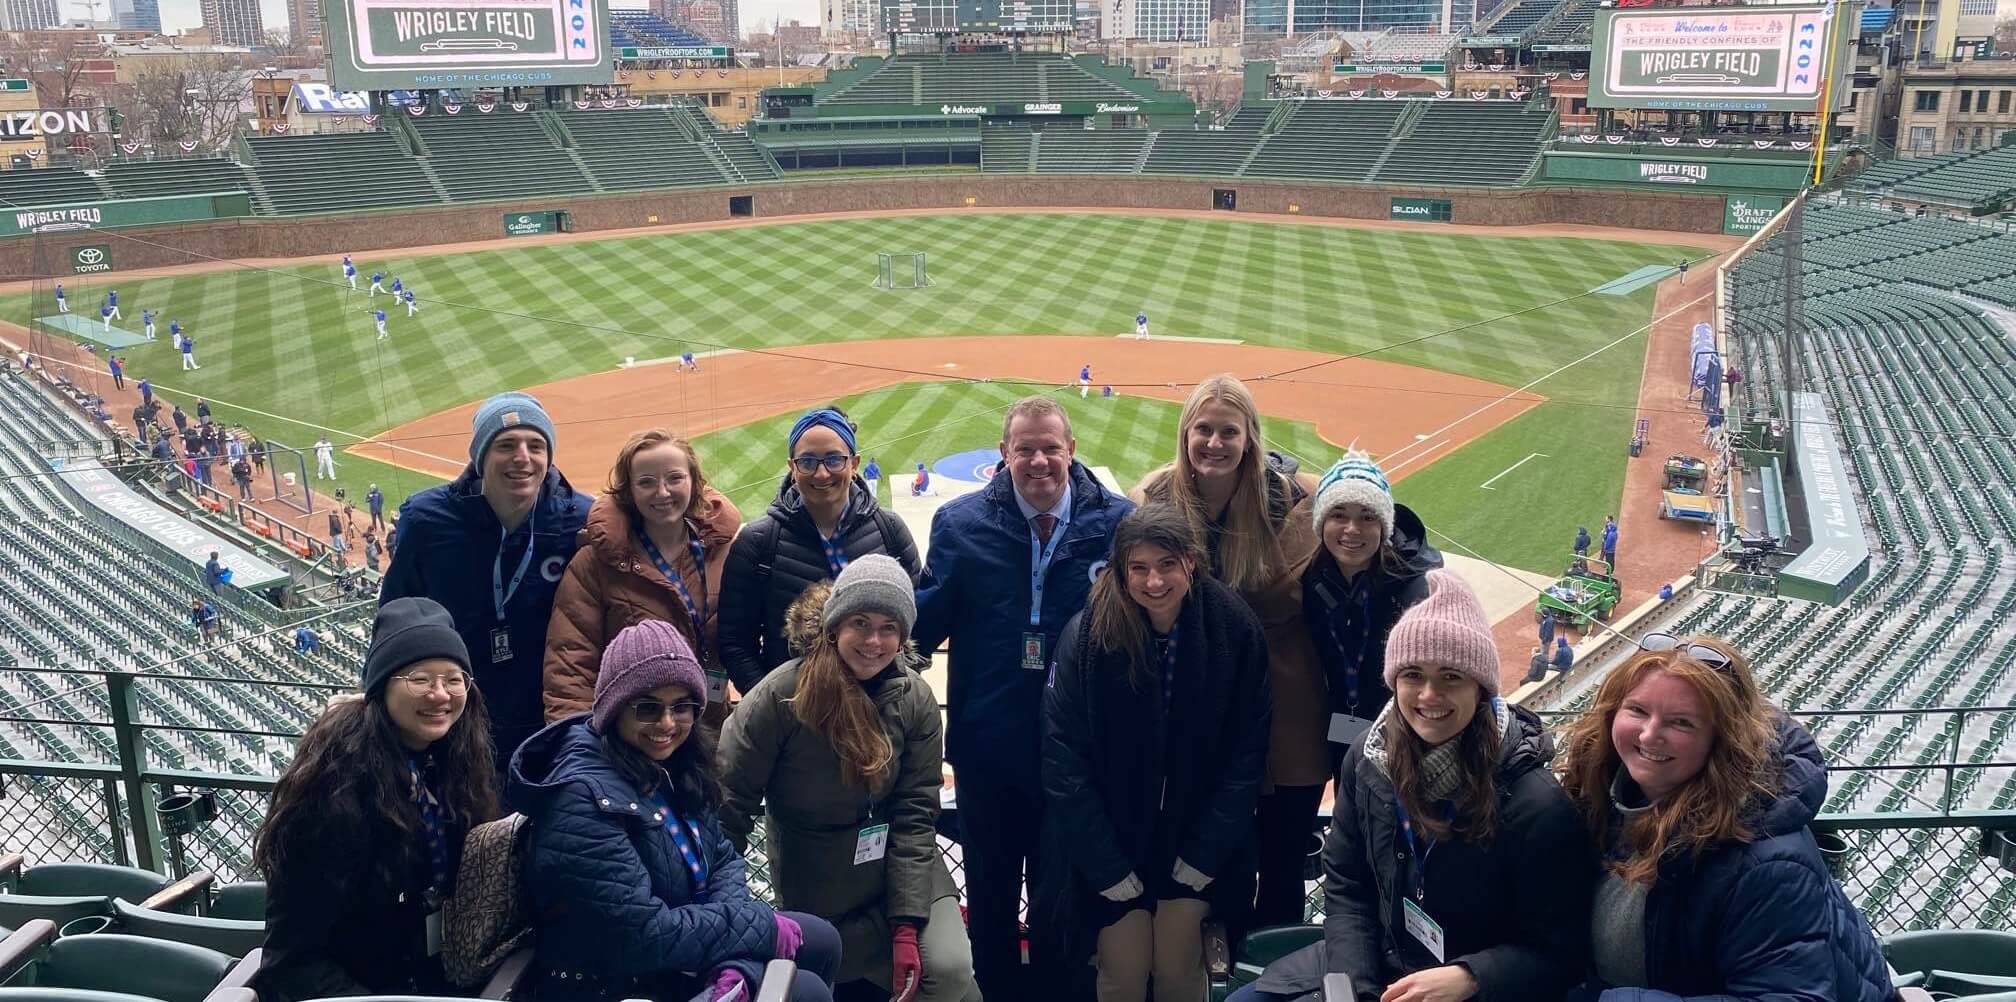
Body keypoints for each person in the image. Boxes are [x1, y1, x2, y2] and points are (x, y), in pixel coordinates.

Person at [1234, 570, 1595, 1002]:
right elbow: (1348, 884)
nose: (1428, 695)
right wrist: (1354, 989)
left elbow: (1562, 954)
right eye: (1412, 675)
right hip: (1373, 962)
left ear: (1481, 688)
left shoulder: (1537, 804)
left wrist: (1471, 976)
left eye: (1450, 677)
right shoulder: (1367, 759)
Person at [913, 395, 1134, 999]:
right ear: (1004, 454)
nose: (1039, 461)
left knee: (1061, 907)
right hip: (989, 752)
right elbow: (920, 628)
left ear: (1072, 452)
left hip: (1074, 758)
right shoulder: (960, 525)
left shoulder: (1117, 524)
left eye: (1050, 449)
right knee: (989, 902)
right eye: (1025, 449)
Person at [511, 621, 842, 1002]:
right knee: (805, 991)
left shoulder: (677, 765)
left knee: (821, 939)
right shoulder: (581, 799)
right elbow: (643, 934)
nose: (667, 724)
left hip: (677, 946)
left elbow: (722, 859)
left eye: (682, 707)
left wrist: (734, 962)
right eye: (648, 708)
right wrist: (758, 932)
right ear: (614, 710)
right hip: (617, 981)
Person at [1556, 635, 1892, 1002]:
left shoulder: (1769, 861)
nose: (1650, 735)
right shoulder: (1597, 794)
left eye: (1681, 723)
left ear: (1722, 739)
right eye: (1637, 710)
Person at [720, 559, 979, 1002]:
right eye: (861, 622)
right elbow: (729, 805)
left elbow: (914, 816)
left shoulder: (916, 698)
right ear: (835, 625)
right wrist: (721, 912)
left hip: (904, 870)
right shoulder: (782, 696)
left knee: (953, 973)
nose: (874, 641)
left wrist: (905, 925)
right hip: (822, 882)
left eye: (889, 627)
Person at [1041, 505, 1271, 1002]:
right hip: (1114, 847)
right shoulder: (1086, 635)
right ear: (1121, 569)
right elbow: (1063, 761)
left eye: (1167, 564)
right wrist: (1106, 866)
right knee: (1122, 974)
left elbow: (1247, 757)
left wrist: (1203, 857)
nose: (1153, 581)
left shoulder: (1234, 628)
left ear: (1191, 562)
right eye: (1139, 567)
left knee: (1179, 974)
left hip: (1195, 850)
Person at [1133, 374, 1324, 930]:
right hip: (1198, 716)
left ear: (1250, 438)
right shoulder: (1153, 498)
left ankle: (1275, 986)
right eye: (1203, 430)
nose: (1215, 443)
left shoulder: (1300, 499)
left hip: (1289, 714)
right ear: (1186, 434)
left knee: (1285, 866)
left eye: (1229, 432)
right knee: (1214, 866)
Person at [252, 598, 499, 1000]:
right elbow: (291, 963)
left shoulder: (457, 765)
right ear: (383, 685)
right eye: (420, 678)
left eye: (454, 679)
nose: (440, 694)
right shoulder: (332, 789)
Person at [382, 391, 593, 774]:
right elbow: (396, 615)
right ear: (480, 457)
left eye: (536, 445)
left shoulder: (582, 517)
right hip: (453, 714)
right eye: (505, 445)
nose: (523, 458)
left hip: (549, 718)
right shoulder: (427, 519)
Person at [718, 407, 920, 695]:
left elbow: (917, 620)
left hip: (879, 707)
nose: (822, 473)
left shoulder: (890, 530)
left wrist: (893, 694)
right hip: (792, 714)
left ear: (854, 463)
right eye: (808, 461)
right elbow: (735, 642)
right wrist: (772, 708)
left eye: (834, 459)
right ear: (792, 466)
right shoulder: (759, 541)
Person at [545, 429, 742, 724]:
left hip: (709, 728)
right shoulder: (594, 563)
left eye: (675, 478)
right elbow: (570, 669)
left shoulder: (723, 552)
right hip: (632, 738)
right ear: (629, 491)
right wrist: (579, 749)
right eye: (646, 482)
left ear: (694, 482)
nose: (662, 492)